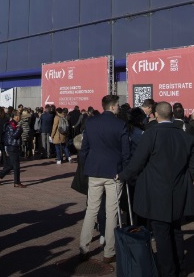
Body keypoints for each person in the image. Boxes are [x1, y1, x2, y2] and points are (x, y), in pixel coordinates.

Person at [117, 101, 194, 276]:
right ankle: (181, 268)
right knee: (176, 230)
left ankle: (168, 270)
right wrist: (186, 180)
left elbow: (137, 162)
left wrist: (123, 175)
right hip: (178, 191)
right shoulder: (186, 137)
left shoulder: (151, 135)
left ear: (155, 114)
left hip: (156, 190)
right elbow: (193, 165)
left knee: (162, 234)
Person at [78, 95, 130, 264]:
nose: (119, 108)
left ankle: (84, 247)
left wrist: (87, 166)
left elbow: (84, 149)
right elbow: (126, 153)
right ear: (113, 106)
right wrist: (124, 171)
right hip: (114, 172)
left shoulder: (91, 123)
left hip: (94, 170)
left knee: (91, 209)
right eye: (118, 105)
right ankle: (109, 251)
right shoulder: (120, 124)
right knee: (112, 212)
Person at [0, 108, 25, 187]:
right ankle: (17, 182)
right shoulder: (11, 125)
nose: (20, 117)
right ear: (15, 116)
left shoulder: (14, 124)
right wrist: (19, 129)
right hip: (11, 146)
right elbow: (14, 135)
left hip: (14, 146)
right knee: (16, 165)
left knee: (11, 165)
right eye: (19, 115)